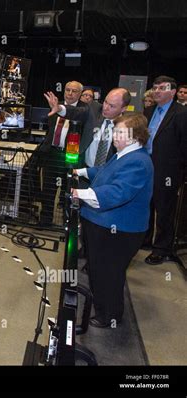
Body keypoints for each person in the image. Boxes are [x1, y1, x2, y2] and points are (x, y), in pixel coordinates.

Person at [73, 113, 153, 328]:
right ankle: (103, 307)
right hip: (105, 224)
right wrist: (80, 171)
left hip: (118, 230)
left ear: (135, 136)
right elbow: (104, 173)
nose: (114, 136)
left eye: (119, 132)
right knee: (100, 269)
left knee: (108, 272)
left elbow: (117, 192)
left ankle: (109, 315)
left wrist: (80, 194)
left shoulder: (138, 162)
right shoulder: (124, 154)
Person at [143, 76, 187, 265]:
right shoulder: (149, 110)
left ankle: (161, 248)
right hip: (147, 165)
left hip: (168, 169)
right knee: (146, 204)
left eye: (162, 88)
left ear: (173, 91)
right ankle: (144, 240)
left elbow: (184, 144)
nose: (157, 91)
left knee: (164, 209)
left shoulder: (181, 113)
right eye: (155, 88)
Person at [44, 87, 131, 168]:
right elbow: (76, 112)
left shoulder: (128, 126)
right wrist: (59, 108)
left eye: (112, 106)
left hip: (108, 176)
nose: (105, 107)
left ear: (123, 108)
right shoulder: (94, 110)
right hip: (84, 171)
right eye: (105, 102)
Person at [38, 81, 86, 226]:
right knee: (48, 188)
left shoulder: (83, 110)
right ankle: (45, 220)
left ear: (80, 94)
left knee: (67, 190)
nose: (70, 93)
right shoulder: (55, 106)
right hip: (52, 153)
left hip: (70, 157)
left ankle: (67, 222)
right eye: (67, 90)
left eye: (74, 91)